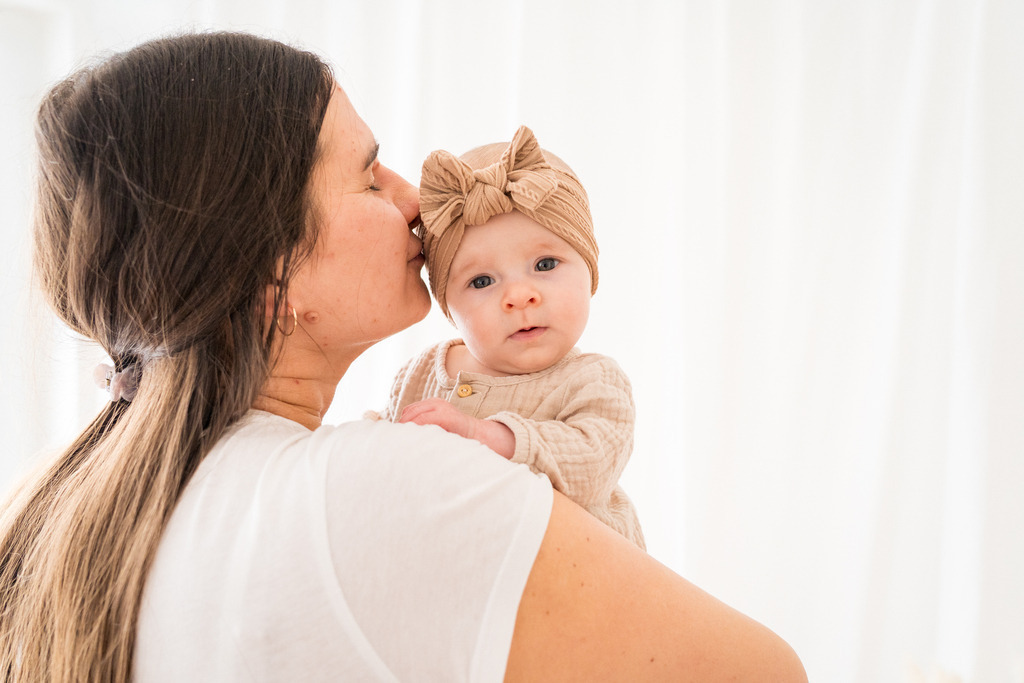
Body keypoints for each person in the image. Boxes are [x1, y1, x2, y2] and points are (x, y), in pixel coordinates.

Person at [0, 31, 807, 682]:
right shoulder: (386, 486)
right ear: (274, 277)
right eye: (368, 178)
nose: (414, 199)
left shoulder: (103, 517)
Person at [377, 126, 645, 550]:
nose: (520, 296)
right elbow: (379, 457)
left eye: (545, 264)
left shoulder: (594, 381)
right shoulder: (420, 373)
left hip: (583, 576)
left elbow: (592, 464)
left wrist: (486, 436)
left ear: (590, 269)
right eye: (482, 281)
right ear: (449, 305)